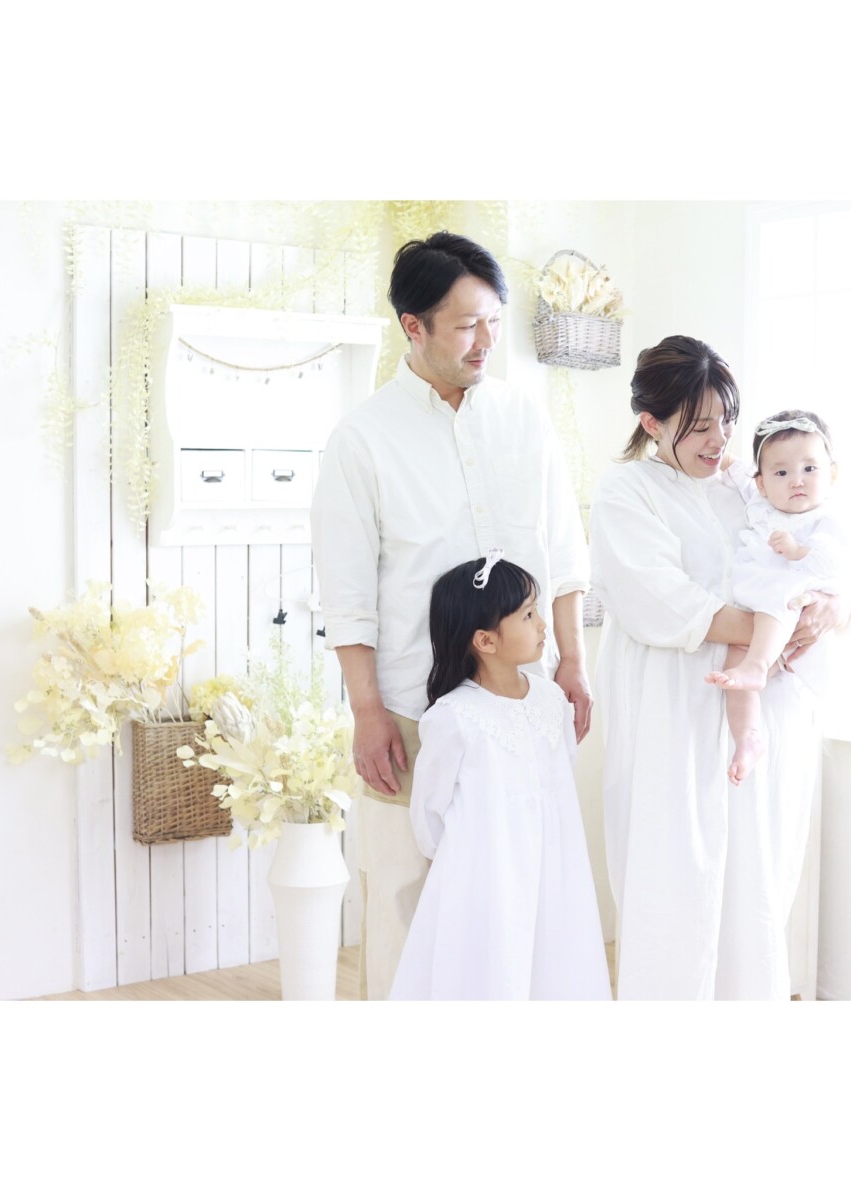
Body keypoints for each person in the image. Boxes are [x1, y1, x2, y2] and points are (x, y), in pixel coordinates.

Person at [311, 232, 592, 1001]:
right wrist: (367, 710)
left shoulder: (525, 420)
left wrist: (573, 660)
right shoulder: (362, 440)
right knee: (405, 906)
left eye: (494, 321)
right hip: (412, 708)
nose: (486, 341)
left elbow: (564, 552)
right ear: (414, 325)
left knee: (519, 907)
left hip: (519, 706)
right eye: (467, 325)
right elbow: (347, 594)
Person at [589, 335, 849, 1000]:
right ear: (652, 423)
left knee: (755, 880)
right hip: (671, 711)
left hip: (762, 717)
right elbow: (664, 603)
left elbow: (823, 556)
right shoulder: (627, 492)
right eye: (700, 425)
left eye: (727, 420)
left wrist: (830, 610)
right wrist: (779, 623)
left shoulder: (746, 485)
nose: (720, 439)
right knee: (673, 879)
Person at [389, 553, 611, 1000]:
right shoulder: (455, 717)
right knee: (494, 969)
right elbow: (429, 814)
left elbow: (559, 780)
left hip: (555, 869)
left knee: (553, 965)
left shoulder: (551, 700)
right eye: (528, 615)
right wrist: (474, 856)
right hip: (485, 878)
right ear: (486, 640)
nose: (543, 624)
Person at [705, 410, 845, 785]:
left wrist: (798, 551)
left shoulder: (825, 519)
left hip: (792, 600)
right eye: (781, 473)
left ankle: (757, 665)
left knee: (774, 606)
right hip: (758, 611)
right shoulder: (761, 502)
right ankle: (748, 737)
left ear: (832, 473)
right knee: (736, 666)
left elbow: (833, 563)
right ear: (763, 483)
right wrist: (716, 448)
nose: (796, 480)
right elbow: (736, 470)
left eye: (809, 469)